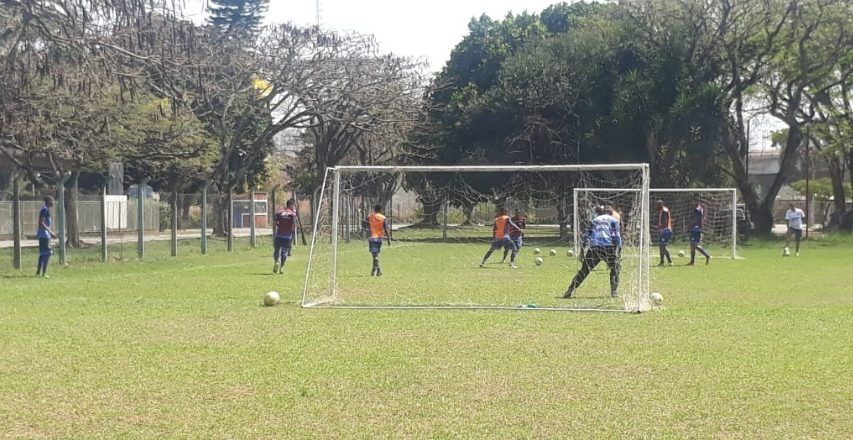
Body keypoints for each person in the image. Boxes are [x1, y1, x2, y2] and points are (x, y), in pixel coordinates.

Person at [563, 205, 621, 298]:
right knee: (615, 269)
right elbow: (616, 236)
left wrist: (582, 252)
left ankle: (570, 290)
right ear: (610, 213)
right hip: (608, 247)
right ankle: (614, 292)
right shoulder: (613, 220)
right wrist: (617, 251)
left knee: (584, 270)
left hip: (594, 248)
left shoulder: (594, 220)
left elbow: (586, 236)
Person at [272, 200, 299, 274]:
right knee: (285, 251)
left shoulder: (280, 212)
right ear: (291, 205)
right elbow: (294, 225)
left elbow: (275, 221)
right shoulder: (293, 214)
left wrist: (277, 228)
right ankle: (282, 267)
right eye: (293, 205)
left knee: (276, 250)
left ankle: (276, 261)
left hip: (279, 235)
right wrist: (292, 231)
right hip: (287, 236)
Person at [36, 196, 57, 278]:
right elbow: (41, 222)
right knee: (47, 253)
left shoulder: (44, 209)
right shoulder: (45, 209)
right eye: (52, 200)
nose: (53, 202)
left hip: (43, 234)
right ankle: (44, 273)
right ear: (48, 201)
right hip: (44, 235)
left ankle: (38, 272)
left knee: (42, 254)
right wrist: (50, 231)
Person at [367, 204, 390, 276]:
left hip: (371, 237)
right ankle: (375, 271)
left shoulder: (370, 216)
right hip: (379, 238)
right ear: (380, 210)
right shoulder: (383, 217)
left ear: (374, 209)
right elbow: (386, 229)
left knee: (374, 255)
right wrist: (389, 238)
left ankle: (377, 270)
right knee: (375, 254)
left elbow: (365, 225)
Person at [688, 199, 711, 265]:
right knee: (692, 245)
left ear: (696, 201)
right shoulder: (699, 209)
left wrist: (689, 225)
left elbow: (696, 219)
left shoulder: (697, 210)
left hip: (696, 229)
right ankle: (692, 261)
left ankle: (707, 256)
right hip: (696, 228)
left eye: (693, 201)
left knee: (695, 245)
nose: (692, 202)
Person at [656, 200, 673, 266]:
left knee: (663, 246)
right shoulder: (661, 211)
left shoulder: (665, 211)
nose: (657, 206)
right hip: (664, 231)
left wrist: (660, 227)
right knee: (661, 246)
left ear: (662, 204)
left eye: (658, 204)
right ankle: (662, 261)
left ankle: (670, 261)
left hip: (666, 230)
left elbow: (665, 222)